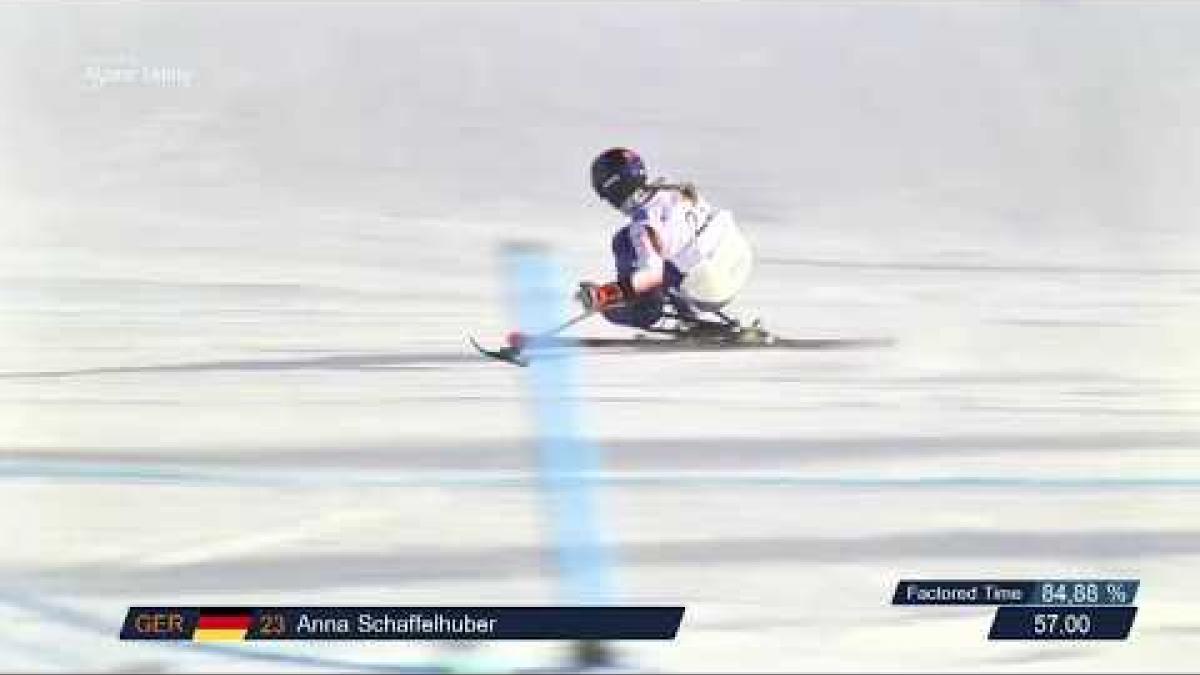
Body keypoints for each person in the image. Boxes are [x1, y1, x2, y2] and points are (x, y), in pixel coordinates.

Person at [577, 147, 755, 330]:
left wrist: (604, 295)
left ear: (613, 190)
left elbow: (650, 277)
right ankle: (685, 313)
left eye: (605, 196)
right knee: (677, 256)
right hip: (740, 259)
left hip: (713, 288)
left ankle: (645, 307)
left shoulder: (644, 227)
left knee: (625, 245)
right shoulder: (673, 189)